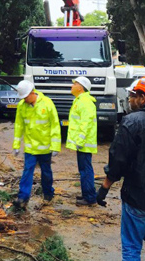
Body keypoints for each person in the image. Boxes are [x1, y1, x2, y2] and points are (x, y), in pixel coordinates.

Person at [96, 76, 145, 260]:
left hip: (137, 199)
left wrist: (104, 188)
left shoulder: (132, 122)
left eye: (133, 95)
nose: (129, 99)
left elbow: (118, 162)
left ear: (143, 98)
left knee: (131, 248)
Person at [12, 80, 61, 210]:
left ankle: (48, 194)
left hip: (45, 147)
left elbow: (55, 126)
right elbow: (19, 126)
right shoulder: (22, 106)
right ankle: (23, 197)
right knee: (27, 171)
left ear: (32, 93)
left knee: (46, 172)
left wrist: (55, 146)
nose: (24, 100)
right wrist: (16, 145)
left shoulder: (47, 103)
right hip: (30, 147)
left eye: (25, 97)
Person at [65, 76, 98, 206]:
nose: (72, 86)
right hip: (83, 143)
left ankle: (90, 197)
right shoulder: (80, 100)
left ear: (81, 87)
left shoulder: (84, 102)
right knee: (84, 169)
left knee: (86, 170)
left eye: (75, 84)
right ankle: (87, 194)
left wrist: (80, 140)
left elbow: (86, 123)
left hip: (84, 143)